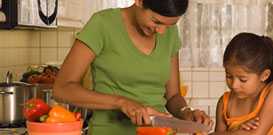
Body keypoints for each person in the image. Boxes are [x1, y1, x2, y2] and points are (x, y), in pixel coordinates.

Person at [52, 0, 212, 134]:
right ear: (139, 1)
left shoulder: (169, 32)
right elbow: (62, 89)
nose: (162, 32)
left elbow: (173, 96)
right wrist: (122, 102)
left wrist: (186, 112)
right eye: (156, 21)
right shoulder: (102, 24)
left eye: (169, 25)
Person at [212, 33, 273, 135]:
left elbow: (256, 134)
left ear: (264, 75)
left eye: (242, 79)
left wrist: (231, 133)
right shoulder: (224, 103)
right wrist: (238, 131)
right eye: (229, 76)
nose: (234, 85)